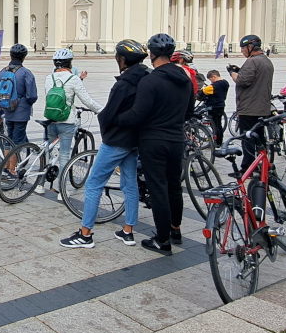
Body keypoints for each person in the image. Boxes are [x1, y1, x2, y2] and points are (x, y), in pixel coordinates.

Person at [60, 39, 148, 249]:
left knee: (93, 184)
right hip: (134, 140)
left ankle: (85, 234)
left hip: (117, 140)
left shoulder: (124, 84)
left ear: (122, 59)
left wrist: (108, 122)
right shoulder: (146, 79)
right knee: (129, 184)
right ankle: (128, 231)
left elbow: (110, 113)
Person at [114, 33, 196, 253]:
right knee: (173, 186)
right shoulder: (185, 78)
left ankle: (162, 239)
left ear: (151, 54)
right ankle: (175, 230)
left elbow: (137, 115)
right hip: (176, 139)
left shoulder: (150, 80)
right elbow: (190, 111)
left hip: (153, 140)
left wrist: (116, 118)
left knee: (158, 188)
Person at [41, 48, 103, 198]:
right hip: (66, 122)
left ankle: (39, 185)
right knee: (64, 156)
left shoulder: (50, 78)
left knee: (46, 152)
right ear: (70, 63)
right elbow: (86, 100)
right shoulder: (73, 79)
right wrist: (102, 110)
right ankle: (62, 191)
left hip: (50, 119)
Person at [227, 34, 274, 158]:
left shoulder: (252, 61)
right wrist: (239, 70)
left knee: (247, 139)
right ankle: (263, 163)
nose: (242, 51)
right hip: (262, 107)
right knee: (259, 138)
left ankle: (247, 166)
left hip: (249, 109)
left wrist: (232, 72)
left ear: (250, 47)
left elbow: (242, 81)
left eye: (243, 48)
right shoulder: (266, 61)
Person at [0, 43, 37, 145]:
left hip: (7, 111)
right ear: (24, 57)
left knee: (8, 141)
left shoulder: (2, 72)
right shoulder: (26, 73)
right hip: (21, 112)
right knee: (17, 143)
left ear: (10, 56)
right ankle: (13, 161)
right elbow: (32, 96)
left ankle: (7, 161)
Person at [201, 70, 229, 145]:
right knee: (219, 124)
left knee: (214, 125)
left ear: (214, 77)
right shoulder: (225, 83)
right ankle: (220, 141)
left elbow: (203, 91)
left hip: (213, 107)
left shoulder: (213, 86)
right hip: (221, 105)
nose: (211, 81)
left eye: (211, 79)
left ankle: (216, 142)